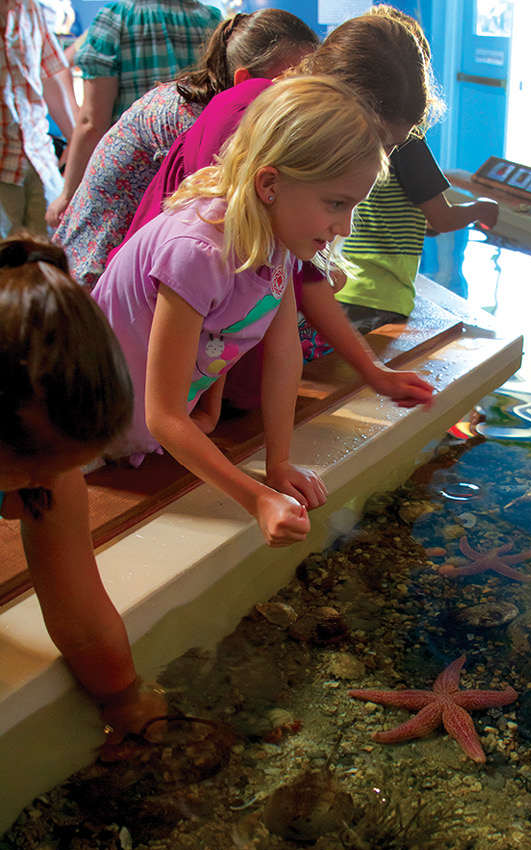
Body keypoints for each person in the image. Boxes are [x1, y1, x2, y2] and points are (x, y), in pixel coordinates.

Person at [92, 76, 390, 547]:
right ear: (270, 183)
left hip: (131, 423)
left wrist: (279, 463)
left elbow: (281, 350)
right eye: (336, 203)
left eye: (353, 206)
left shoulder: (278, 238)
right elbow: (164, 415)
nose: (344, 226)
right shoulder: (197, 251)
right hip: (79, 424)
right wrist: (257, 499)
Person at [110, 8, 439, 409]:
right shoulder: (251, 122)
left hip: (214, 340)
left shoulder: (292, 166)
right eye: (377, 138)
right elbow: (210, 263)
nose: (379, 157)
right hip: (153, 340)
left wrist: (373, 372)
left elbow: (296, 274)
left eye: (391, 147)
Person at [0, 232, 164, 741]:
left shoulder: (45, 458)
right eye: (31, 471)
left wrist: (126, 703)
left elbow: (82, 618)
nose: (46, 485)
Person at [49, 9, 318, 290]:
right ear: (244, 81)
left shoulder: (214, 107)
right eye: (291, 85)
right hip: (95, 276)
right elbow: (221, 222)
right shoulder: (196, 121)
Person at [337, 5, 499, 326]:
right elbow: (441, 217)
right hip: (381, 296)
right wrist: (481, 209)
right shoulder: (407, 142)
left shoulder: (346, 132)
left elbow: (415, 220)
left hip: (338, 286)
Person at [45, 0, 224, 228]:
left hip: (129, 184)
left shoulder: (116, 17)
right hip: (191, 181)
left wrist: (68, 194)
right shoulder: (211, 19)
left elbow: (92, 122)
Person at [0, 0, 78, 237]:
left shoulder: (28, 7)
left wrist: (76, 143)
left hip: (38, 159)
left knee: (49, 258)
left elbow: (51, 77)